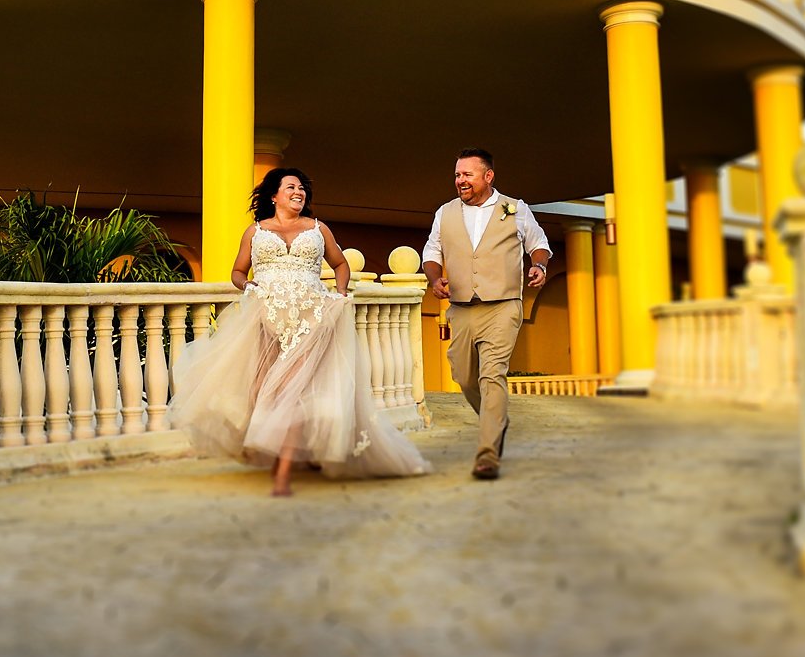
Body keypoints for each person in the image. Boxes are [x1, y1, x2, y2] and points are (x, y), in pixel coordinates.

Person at [170, 167, 431, 496]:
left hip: (313, 319)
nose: (299, 192)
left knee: (291, 392)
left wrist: (339, 292)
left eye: (303, 188)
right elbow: (238, 271)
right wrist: (248, 285)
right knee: (264, 392)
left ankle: (282, 474)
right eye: (291, 186)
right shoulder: (255, 231)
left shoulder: (318, 228)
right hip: (266, 318)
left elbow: (340, 264)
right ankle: (293, 454)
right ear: (274, 195)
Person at [421, 147, 552, 481]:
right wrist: (436, 279)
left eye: (467, 174)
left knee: (491, 375)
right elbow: (432, 251)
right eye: (457, 175)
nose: (460, 181)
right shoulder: (445, 212)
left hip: (503, 305)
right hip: (462, 307)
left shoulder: (514, 208)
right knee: (464, 376)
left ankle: (487, 454)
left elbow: (538, 242)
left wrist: (538, 265)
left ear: (488, 176)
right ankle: (497, 419)